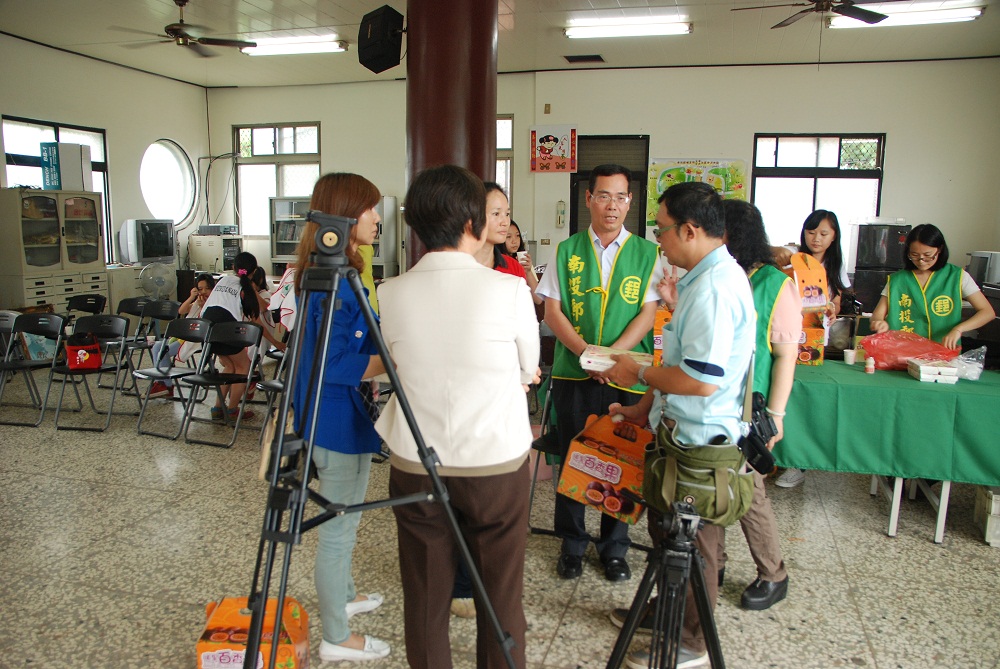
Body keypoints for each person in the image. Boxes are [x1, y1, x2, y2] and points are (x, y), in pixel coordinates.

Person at [376, 164, 540, 669]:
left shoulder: (391, 292)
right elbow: (528, 369)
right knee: (500, 594)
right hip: (495, 463)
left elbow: (397, 365)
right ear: (473, 221)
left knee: (425, 597)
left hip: (415, 462)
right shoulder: (508, 291)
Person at [603, 181, 756, 669]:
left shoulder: (714, 288)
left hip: (701, 444)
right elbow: (680, 360)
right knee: (672, 536)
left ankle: (690, 640)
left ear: (690, 230)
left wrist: (636, 372)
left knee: (698, 545)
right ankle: (665, 609)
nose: (659, 241)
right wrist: (641, 406)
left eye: (663, 230)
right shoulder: (697, 281)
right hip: (677, 434)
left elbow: (702, 381)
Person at [534, 163, 663, 582]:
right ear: (588, 199)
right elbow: (552, 310)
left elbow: (649, 311)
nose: (613, 205)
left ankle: (614, 548)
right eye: (604, 195)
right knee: (573, 455)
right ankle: (572, 544)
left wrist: (613, 358)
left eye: (621, 197)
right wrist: (586, 354)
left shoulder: (648, 254)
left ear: (630, 202)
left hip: (626, 376)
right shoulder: (566, 249)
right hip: (575, 373)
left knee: (623, 458)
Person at [291, 172, 390, 663]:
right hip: (333, 422)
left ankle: (345, 599)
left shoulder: (335, 269)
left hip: (338, 417)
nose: (377, 218)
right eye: (370, 209)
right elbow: (333, 365)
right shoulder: (334, 281)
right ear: (345, 217)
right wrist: (395, 362)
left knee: (345, 519)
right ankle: (335, 636)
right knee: (337, 530)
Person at [721, 199, 800, 610]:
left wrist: (776, 415)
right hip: (711, 402)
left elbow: (786, 355)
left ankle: (774, 573)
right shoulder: (717, 274)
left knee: (750, 492)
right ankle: (711, 561)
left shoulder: (775, 284)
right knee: (707, 485)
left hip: (750, 408)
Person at [773, 209, 849, 488]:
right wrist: (777, 250)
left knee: (804, 399)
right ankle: (775, 454)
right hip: (783, 335)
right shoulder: (791, 256)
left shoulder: (835, 265)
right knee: (783, 396)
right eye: (811, 231)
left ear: (834, 237)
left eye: (823, 233)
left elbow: (836, 301)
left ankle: (797, 463)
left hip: (814, 340)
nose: (816, 238)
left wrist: (831, 309)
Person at [870, 223, 995, 348]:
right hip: (903, 353)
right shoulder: (897, 280)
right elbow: (877, 315)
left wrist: (959, 329)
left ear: (939, 249)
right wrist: (879, 323)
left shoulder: (957, 276)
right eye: (914, 255)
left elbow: (987, 312)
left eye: (928, 255)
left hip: (943, 354)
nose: (921, 261)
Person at [200, 252, 266, 422]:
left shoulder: (223, 280)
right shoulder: (246, 287)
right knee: (244, 367)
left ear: (233, 268)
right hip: (228, 329)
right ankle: (232, 410)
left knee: (229, 366)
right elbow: (259, 314)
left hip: (207, 330)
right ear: (254, 271)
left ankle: (217, 408)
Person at [148, 273, 215, 398]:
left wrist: (203, 308)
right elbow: (181, 311)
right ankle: (162, 382)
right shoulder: (197, 302)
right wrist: (191, 297)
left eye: (207, 288)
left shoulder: (214, 303)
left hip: (196, 339)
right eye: (200, 289)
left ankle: (166, 385)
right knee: (156, 347)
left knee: (163, 350)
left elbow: (207, 323)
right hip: (183, 337)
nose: (204, 292)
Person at [500, 220, 542, 304]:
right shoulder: (496, 262)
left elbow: (538, 299)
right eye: (508, 237)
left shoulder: (524, 261)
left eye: (517, 236)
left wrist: (528, 271)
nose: (514, 241)